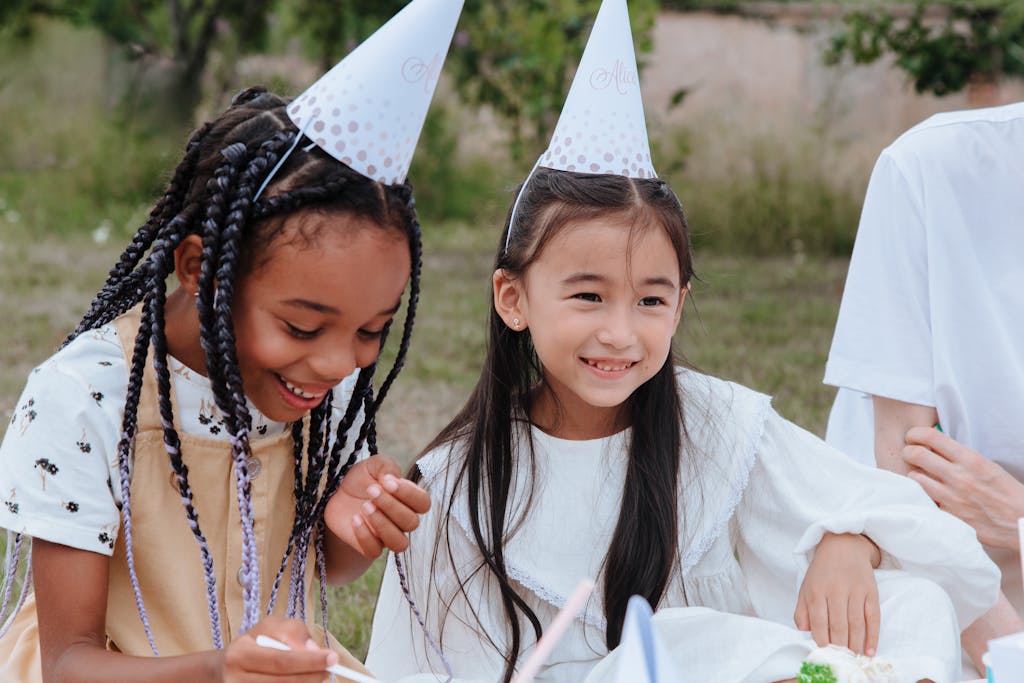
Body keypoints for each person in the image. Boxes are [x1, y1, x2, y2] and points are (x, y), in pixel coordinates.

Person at [364, 3, 1000, 681]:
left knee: (910, 601)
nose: (620, 331)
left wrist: (853, 539)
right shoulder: (459, 483)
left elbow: (898, 514)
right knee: (677, 643)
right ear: (512, 298)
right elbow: (415, 665)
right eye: (588, 295)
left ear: (681, 304)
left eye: (650, 300)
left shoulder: (717, 423)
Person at [0, 0, 465, 677]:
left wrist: (349, 527)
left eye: (372, 330)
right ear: (200, 270)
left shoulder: (315, 393)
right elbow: (67, 660)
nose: (338, 362)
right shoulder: (85, 400)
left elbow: (324, 566)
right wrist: (224, 669)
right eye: (302, 326)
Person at [823, 100, 1024, 673]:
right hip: (922, 562)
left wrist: (1019, 519)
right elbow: (908, 471)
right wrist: (1007, 664)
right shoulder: (929, 169)